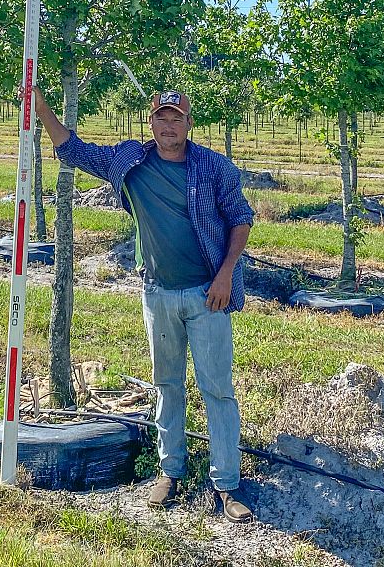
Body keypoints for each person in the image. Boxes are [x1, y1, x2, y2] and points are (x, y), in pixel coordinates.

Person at [31, 86, 254, 523]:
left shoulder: (213, 167)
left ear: (189, 124)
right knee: (166, 385)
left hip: (207, 294)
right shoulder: (131, 162)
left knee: (217, 389)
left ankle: (226, 484)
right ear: (149, 123)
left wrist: (226, 274)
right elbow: (73, 150)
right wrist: (41, 109)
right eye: (161, 118)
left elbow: (241, 218)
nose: (168, 125)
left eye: (176, 118)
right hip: (157, 294)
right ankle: (170, 471)